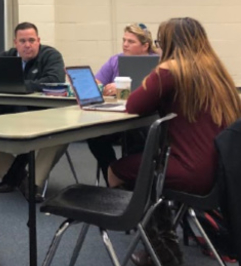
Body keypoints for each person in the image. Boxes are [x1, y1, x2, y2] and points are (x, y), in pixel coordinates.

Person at [108, 17, 241, 265]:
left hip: (193, 172)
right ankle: (162, 248)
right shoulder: (216, 71)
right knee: (148, 172)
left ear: (168, 43)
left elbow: (133, 105)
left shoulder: (171, 69)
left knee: (117, 171)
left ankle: (162, 250)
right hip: (222, 172)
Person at [0, 22, 67, 202]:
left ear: (38, 41)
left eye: (31, 40)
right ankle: (17, 178)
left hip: (45, 114)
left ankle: (32, 184)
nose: (27, 45)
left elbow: (53, 81)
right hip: (10, 112)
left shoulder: (51, 56)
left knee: (59, 135)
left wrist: (16, 86)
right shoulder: (7, 57)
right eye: (22, 41)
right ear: (15, 43)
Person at [88, 23, 158, 185]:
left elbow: (154, 92)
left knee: (136, 136)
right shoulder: (115, 60)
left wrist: (123, 88)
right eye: (124, 40)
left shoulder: (158, 64)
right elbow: (98, 83)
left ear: (145, 46)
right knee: (95, 138)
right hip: (117, 116)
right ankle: (114, 179)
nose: (125, 45)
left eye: (131, 42)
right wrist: (101, 88)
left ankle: (136, 183)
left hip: (145, 118)